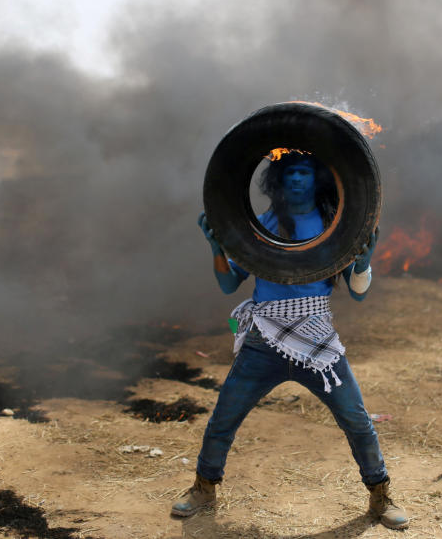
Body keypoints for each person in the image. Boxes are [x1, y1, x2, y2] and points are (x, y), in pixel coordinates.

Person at [172, 152, 408, 530]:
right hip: (262, 340)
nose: (297, 179)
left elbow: (359, 293)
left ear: (318, 180)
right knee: (223, 419)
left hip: (317, 341)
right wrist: (216, 248)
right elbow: (229, 283)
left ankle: (380, 497)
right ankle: (203, 488)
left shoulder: (335, 224)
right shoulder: (260, 223)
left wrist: (363, 262)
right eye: (290, 173)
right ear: (278, 181)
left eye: (304, 172)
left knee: (357, 420)